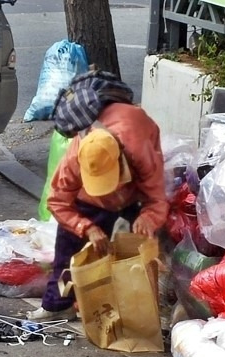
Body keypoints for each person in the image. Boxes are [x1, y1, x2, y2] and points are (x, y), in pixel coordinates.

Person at [26, 102, 169, 321]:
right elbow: (57, 202)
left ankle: (138, 311)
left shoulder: (141, 152)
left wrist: (148, 218)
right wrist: (86, 227)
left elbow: (157, 198)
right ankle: (57, 305)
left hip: (133, 194)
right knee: (68, 246)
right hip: (88, 200)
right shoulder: (74, 159)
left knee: (138, 254)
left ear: (120, 160)